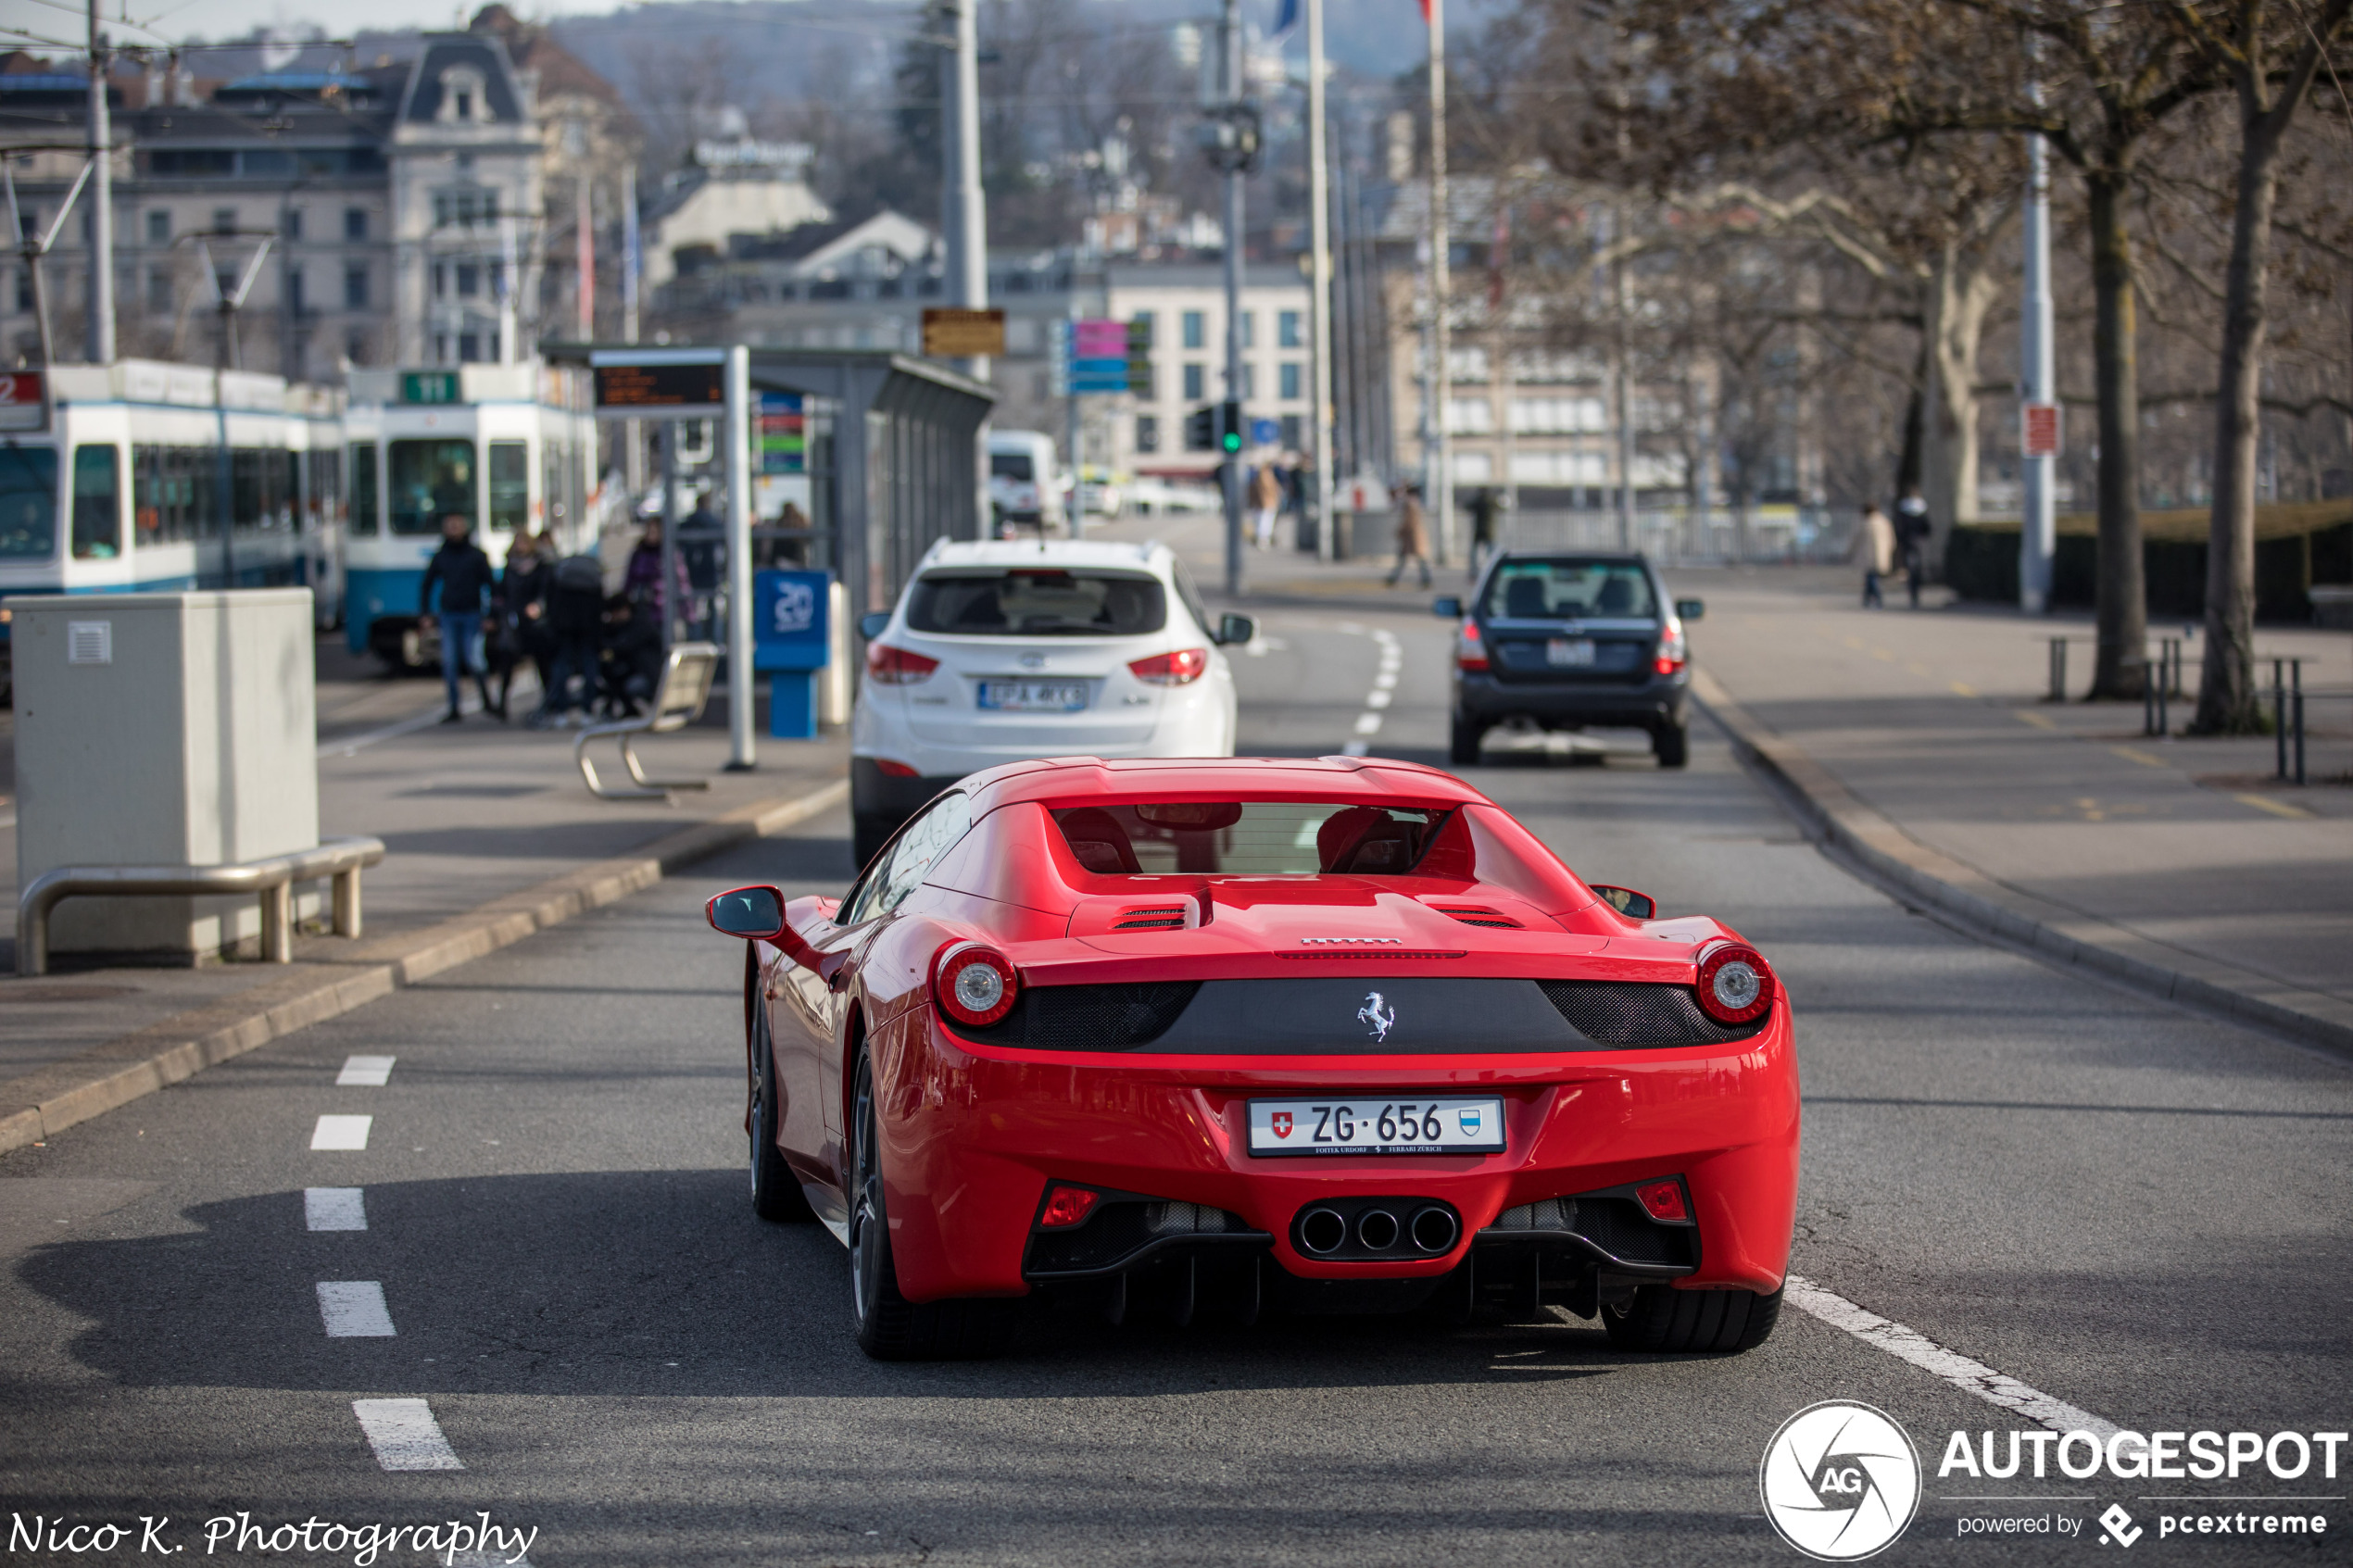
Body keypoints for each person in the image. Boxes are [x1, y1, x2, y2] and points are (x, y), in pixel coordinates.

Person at [418, 512, 499, 722]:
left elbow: (491, 586)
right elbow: (427, 584)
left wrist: (491, 615)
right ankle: (454, 707)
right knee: (450, 662)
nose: (453, 530)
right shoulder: (441, 556)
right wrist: (425, 613)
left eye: (457, 526)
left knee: (474, 660)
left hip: (472, 614)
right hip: (449, 614)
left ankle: (486, 701)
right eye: (449, 526)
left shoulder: (476, 555)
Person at [534, 549, 607, 727]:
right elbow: (601, 605)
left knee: (561, 667)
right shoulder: (592, 577)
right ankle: (588, 710)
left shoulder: (561, 576)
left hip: (563, 627)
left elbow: (550, 602)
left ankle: (561, 711)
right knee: (590, 666)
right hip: (589, 626)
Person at [498, 531, 554, 715]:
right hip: (514, 619)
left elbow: (546, 590)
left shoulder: (541, 565)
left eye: (523, 542)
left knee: (542, 662)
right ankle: (502, 703)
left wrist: (538, 606)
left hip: (534, 621)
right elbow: (503, 591)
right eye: (517, 542)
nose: (520, 546)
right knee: (507, 661)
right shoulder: (510, 566)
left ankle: (550, 701)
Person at [623, 518, 693, 633]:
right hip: (641, 608)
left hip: (663, 611)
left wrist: (689, 613)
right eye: (648, 530)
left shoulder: (669, 553)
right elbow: (629, 580)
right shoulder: (639, 553)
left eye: (654, 531)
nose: (650, 534)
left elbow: (682, 582)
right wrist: (625, 603)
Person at [1386, 483, 1433, 589]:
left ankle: (1394, 578)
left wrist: (1400, 532)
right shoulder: (1415, 503)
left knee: (1410, 559)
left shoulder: (1410, 504)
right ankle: (1425, 580)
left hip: (1412, 537)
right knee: (1415, 560)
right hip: (1414, 536)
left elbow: (1408, 521)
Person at [1894, 486, 1931, 608]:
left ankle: (1912, 592)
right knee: (1917, 569)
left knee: (1909, 569)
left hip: (1907, 542)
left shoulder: (1902, 509)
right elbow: (1927, 528)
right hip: (1919, 542)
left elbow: (1899, 528)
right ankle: (1916, 592)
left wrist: (1900, 540)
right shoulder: (1922, 508)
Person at [1855, 503, 1895, 608]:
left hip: (1868, 555)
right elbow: (1892, 540)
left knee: (1871, 578)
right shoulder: (1884, 522)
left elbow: (1856, 540)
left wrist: (1848, 553)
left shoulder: (1865, 523)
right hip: (1882, 554)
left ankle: (1875, 598)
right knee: (1872, 577)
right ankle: (1867, 599)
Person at [1250, 461, 1283, 550]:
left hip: (1266, 503)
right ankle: (1263, 541)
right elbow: (1268, 490)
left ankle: (1263, 540)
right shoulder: (1265, 476)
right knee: (1265, 523)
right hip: (1266, 503)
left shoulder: (1262, 477)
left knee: (1265, 523)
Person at [1466, 486, 1499, 578]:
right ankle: (1492, 570)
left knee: (1475, 554)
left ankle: (1473, 572)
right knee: (1491, 554)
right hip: (1489, 531)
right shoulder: (1491, 501)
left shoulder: (1478, 501)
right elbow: (1500, 507)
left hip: (1479, 530)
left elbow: (1468, 507)